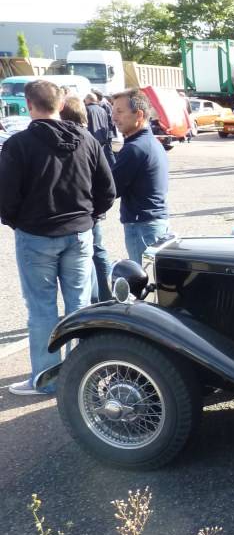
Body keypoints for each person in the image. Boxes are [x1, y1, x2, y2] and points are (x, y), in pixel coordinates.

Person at [0, 80, 115, 395]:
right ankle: (84, 374)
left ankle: (47, 379)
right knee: (79, 306)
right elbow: (108, 190)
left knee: (42, 309)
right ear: (60, 105)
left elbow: (6, 197)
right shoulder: (86, 140)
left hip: (38, 236)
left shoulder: (18, 145)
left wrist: (17, 222)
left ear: (29, 105)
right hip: (78, 234)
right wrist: (89, 218)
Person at [60, 97, 114, 303]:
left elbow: (107, 187)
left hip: (84, 214)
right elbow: (107, 186)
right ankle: (104, 297)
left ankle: (101, 297)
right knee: (95, 253)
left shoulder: (83, 142)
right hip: (88, 213)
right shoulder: (89, 139)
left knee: (94, 254)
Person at [109, 88, 171, 264]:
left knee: (143, 284)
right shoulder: (150, 142)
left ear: (139, 115)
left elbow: (111, 189)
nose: (114, 118)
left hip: (143, 226)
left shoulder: (135, 148)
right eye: (113, 112)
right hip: (154, 222)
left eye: (120, 112)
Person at [84, 92, 115, 167]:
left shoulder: (87, 109)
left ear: (88, 99)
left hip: (92, 137)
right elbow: (107, 123)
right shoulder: (102, 110)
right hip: (103, 137)